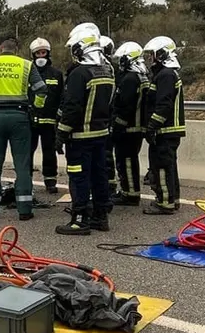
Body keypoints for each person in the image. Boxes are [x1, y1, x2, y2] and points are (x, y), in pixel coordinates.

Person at [0, 36, 48, 221]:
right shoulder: (26, 65)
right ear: (16, 49)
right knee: (22, 164)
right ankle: (24, 210)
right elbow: (42, 89)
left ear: (0, 48)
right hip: (20, 118)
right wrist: (35, 107)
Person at [54, 23, 115, 235]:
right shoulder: (107, 71)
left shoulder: (80, 73)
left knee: (78, 177)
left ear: (81, 48)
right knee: (99, 176)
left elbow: (72, 107)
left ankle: (79, 220)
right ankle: (101, 217)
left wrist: (61, 133)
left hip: (79, 137)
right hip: (101, 135)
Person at [142, 35, 185, 215]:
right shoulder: (167, 74)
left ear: (162, 54)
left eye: (153, 55)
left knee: (161, 166)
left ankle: (164, 202)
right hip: (170, 131)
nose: (150, 59)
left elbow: (163, 104)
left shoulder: (166, 75)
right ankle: (173, 199)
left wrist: (152, 125)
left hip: (165, 131)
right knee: (169, 167)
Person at [109, 41, 150, 206]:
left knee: (126, 160)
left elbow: (125, 105)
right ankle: (129, 191)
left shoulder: (130, 79)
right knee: (130, 160)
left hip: (128, 128)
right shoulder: (142, 76)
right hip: (137, 127)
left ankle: (130, 194)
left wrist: (117, 126)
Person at [27, 38, 63, 194]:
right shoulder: (27, 72)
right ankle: (25, 179)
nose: (41, 56)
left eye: (43, 52)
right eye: (38, 53)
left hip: (49, 121)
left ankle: (50, 180)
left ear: (48, 53)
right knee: (27, 151)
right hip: (30, 120)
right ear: (33, 55)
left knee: (49, 152)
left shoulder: (56, 74)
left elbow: (62, 96)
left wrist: (59, 116)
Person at [99, 35, 119, 200]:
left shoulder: (106, 69)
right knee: (107, 154)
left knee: (106, 153)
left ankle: (109, 185)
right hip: (109, 116)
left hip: (106, 117)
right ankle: (110, 184)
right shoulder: (112, 68)